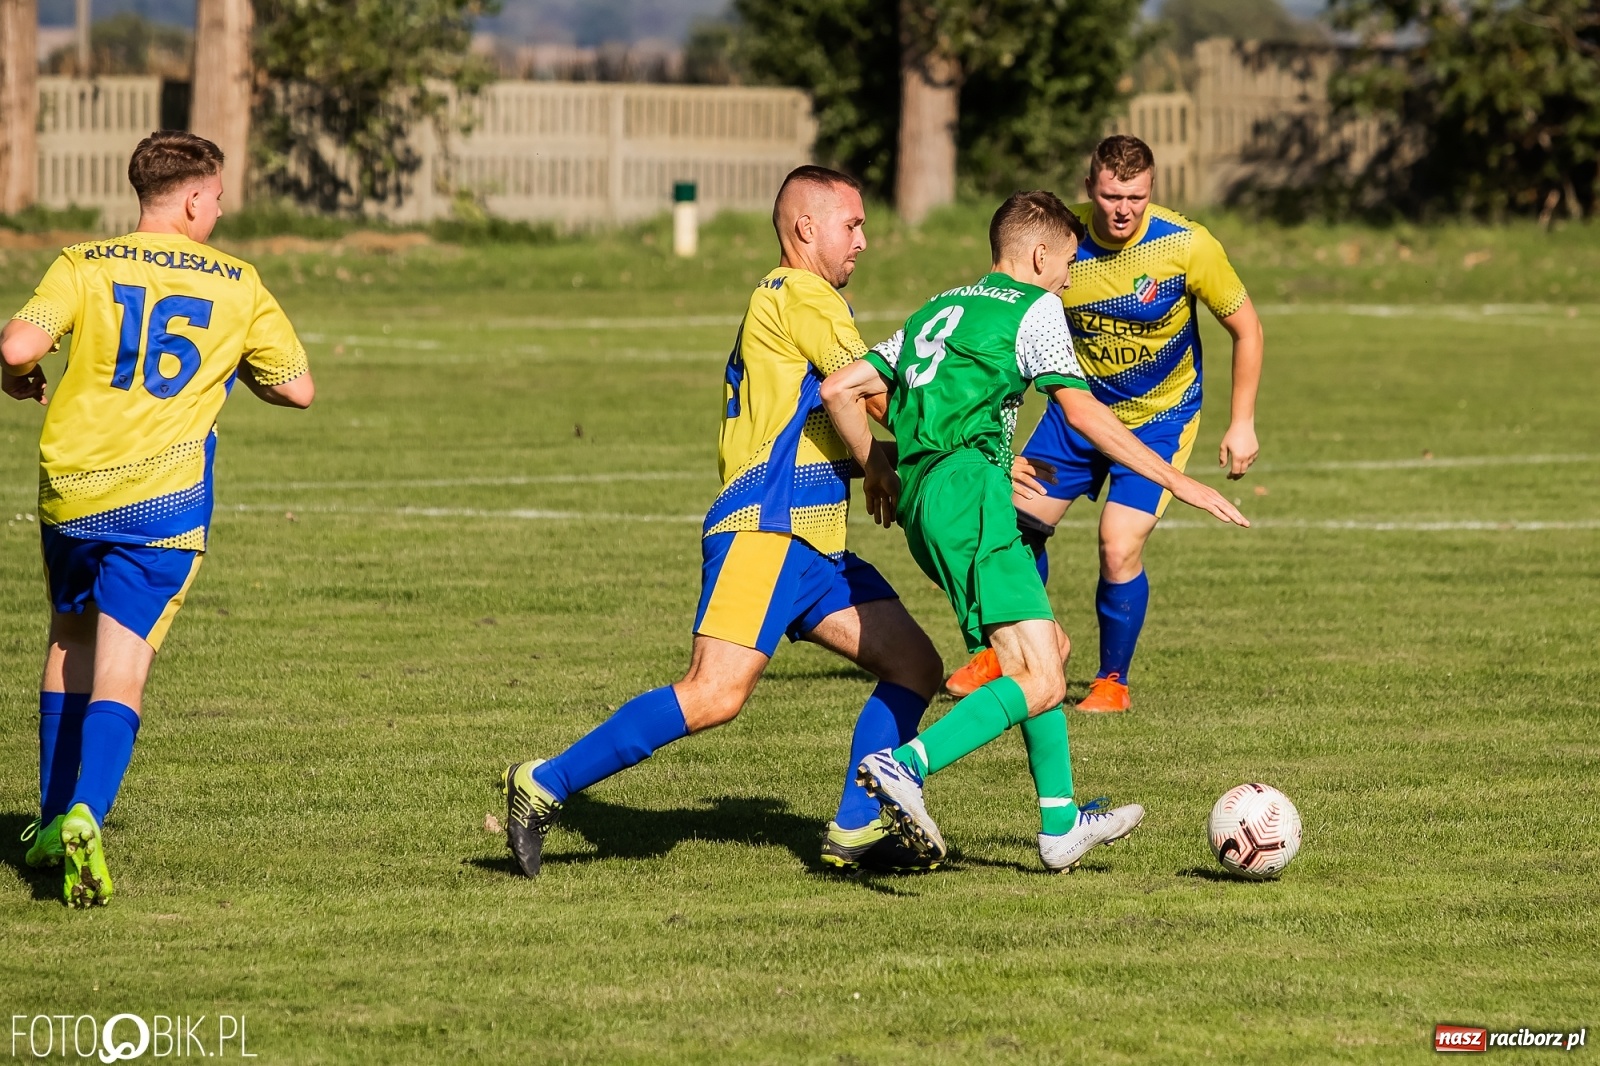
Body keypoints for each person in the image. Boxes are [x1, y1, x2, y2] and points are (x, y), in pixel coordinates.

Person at [498, 166, 945, 878]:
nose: (863, 240)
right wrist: (958, 431)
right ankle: (543, 783)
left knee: (915, 665)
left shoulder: (784, 299)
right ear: (806, 227)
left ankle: (855, 831)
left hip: (815, 544)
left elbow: (832, 423)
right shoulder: (803, 292)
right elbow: (868, 394)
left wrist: (915, 461)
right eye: (851, 224)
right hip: (766, 530)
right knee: (713, 693)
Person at [820, 190, 1247, 871]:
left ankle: (1059, 824)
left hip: (935, 501)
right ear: (1039, 253)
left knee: (1044, 648)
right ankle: (905, 766)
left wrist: (879, 468)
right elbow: (1084, 414)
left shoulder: (942, 305)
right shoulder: (1036, 308)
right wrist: (1176, 480)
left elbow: (841, 389)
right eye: (1068, 262)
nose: (1070, 278)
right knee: (1043, 677)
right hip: (972, 502)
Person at [2, 130, 314, 907]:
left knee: (68, 640)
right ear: (195, 199)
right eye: (217, 196)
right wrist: (239, 367)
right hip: (164, 504)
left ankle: (46, 822)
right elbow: (299, 387)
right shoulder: (239, 284)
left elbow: (15, 345)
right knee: (123, 665)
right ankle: (85, 814)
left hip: (72, 490)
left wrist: (19, 375)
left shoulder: (83, 262)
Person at [943, 135, 1265, 714]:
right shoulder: (1062, 246)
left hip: (1159, 420)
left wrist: (1241, 423)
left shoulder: (1187, 246)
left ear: (1151, 190)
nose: (1124, 210)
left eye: (1136, 197)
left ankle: (1112, 681)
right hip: (1076, 416)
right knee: (1009, 531)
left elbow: (1248, 328)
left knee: (1117, 546)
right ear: (1090, 188)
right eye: (1112, 195)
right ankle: (1009, 650)